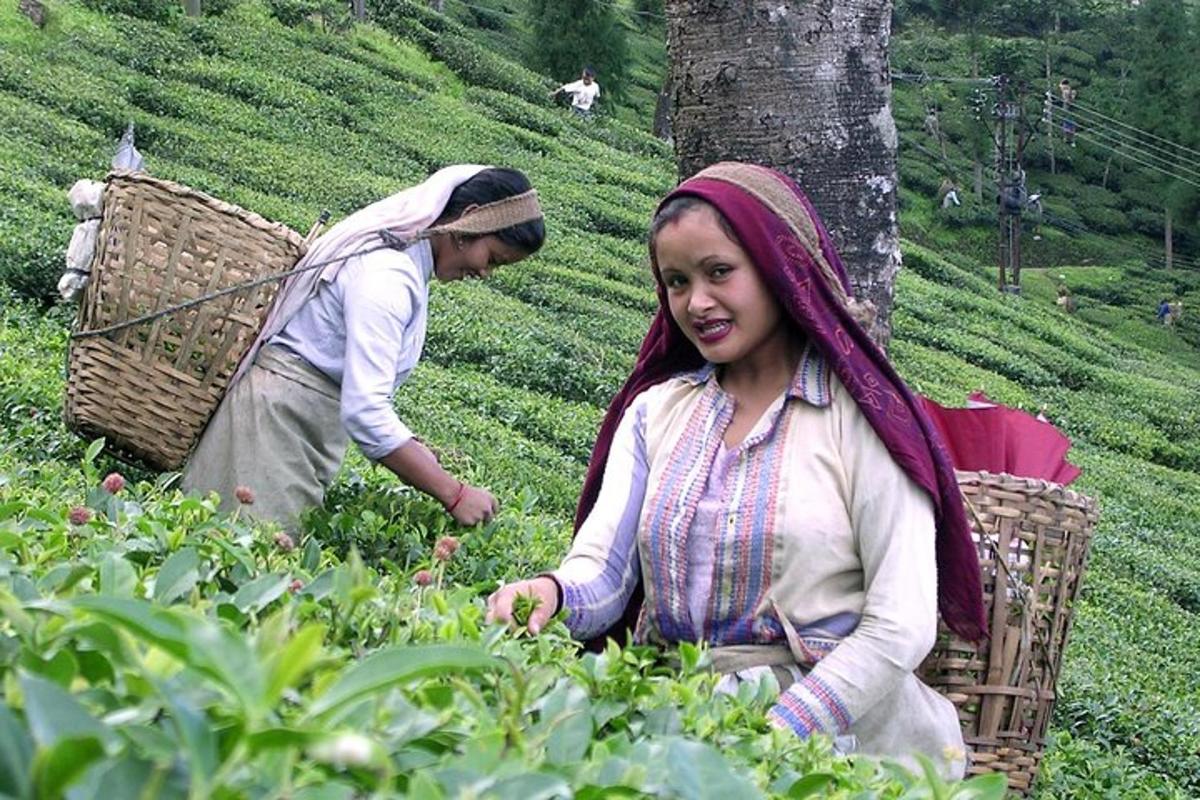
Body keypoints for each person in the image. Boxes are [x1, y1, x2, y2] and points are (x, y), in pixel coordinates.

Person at [486, 163, 985, 777]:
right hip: (674, 730)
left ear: (781, 268)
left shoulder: (865, 421)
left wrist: (767, 730)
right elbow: (606, 573)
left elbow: (899, 627)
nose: (696, 302)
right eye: (675, 281)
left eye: (720, 271)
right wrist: (552, 594)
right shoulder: (656, 413)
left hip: (837, 751)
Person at [182, 165, 545, 528]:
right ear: (469, 224)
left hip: (294, 425)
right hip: (273, 428)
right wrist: (455, 494)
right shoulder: (388, 276)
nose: (485, 273)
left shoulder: (406, 269)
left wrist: (412, 447)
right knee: (238, 559)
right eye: (493, 258)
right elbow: (365, 412)